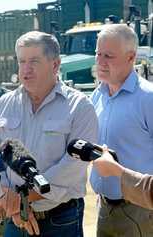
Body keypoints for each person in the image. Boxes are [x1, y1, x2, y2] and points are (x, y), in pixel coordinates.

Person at [0, 31, 98, 236]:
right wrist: (7, 198)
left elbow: (73, 166)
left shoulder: (79, 107)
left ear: (55, 64)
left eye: (34, 61)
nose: (26, 69)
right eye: (21, 61)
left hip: (60, 219)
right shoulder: (4, 105)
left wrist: (23, 198)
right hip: (15, 219)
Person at [90, 24, 153, 237]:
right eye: (98, 53)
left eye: (108, 55)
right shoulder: (97, 97)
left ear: (131, 57)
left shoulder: (148, 98)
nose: (100, 61)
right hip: (104, 208)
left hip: (141, 212)